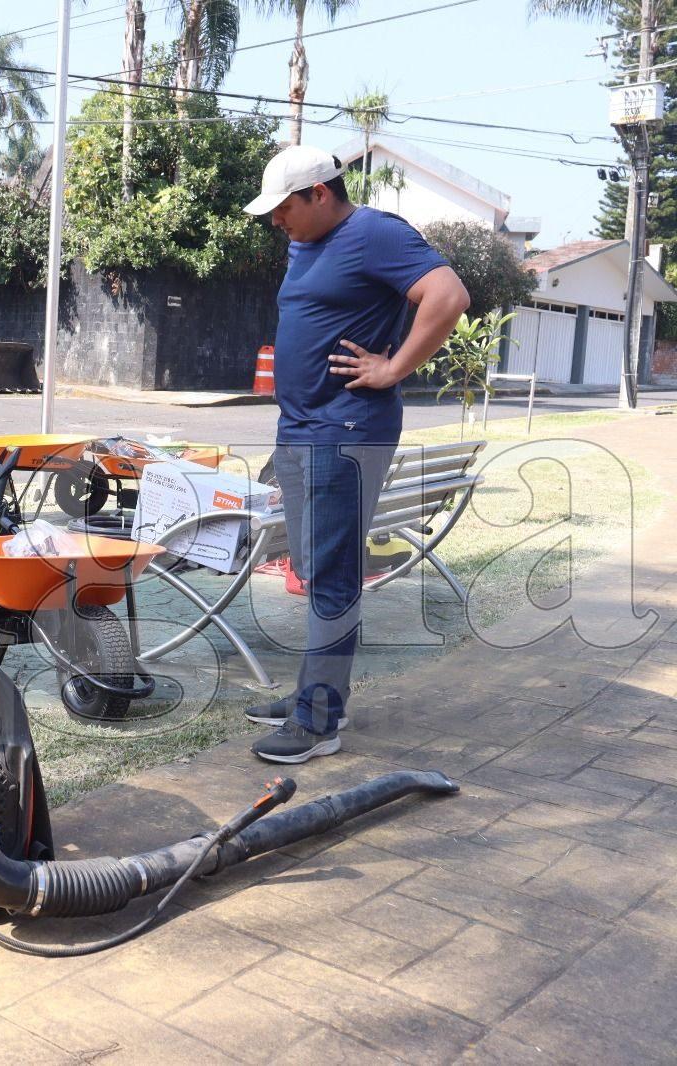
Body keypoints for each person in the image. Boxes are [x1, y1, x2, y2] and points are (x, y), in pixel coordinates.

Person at [240, 145, 470, 764]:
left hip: (345, 431)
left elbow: (448, 297)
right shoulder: (303, 242)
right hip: (301, 427)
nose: (274, 221)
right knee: (315, 568)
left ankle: (319, 723)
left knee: (335, 574)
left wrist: (394, 367)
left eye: (283, 208)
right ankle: (313, 693)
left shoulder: (375, 234)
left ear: (319, 193)